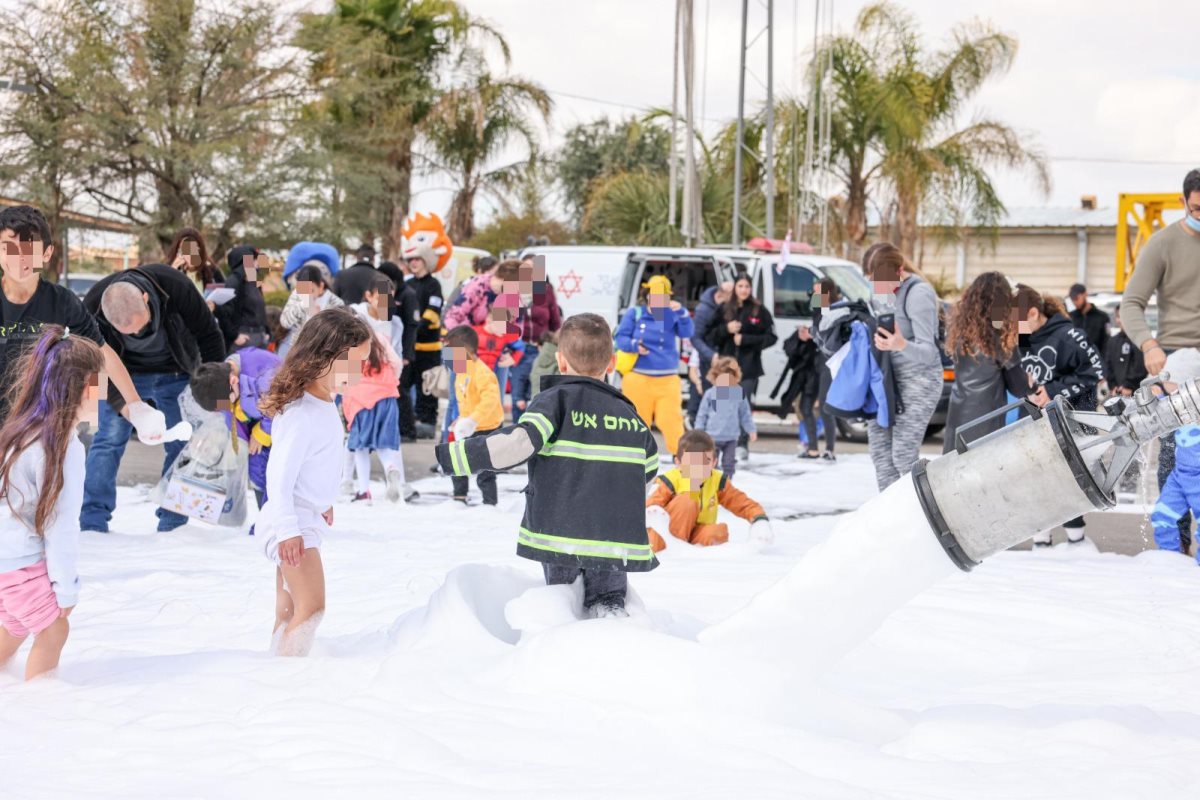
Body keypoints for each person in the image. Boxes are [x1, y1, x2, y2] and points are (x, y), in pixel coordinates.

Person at [435, 313, 659, 618]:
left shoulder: (553, 403)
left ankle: (557, 635)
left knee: (561, 601)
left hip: (560, 531)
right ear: (612, 363)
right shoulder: (629, 415)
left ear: (560, 361)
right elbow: (648, 468)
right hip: (613, 538)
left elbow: (516, 445)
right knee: (608, 603)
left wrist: (456, 456)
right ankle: (612, 627)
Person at [255, 308, 373, 657]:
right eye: (353, 362)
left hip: (301, 516)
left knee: (290, 609)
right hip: (290, 521)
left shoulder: (321, 402)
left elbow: (316, 463)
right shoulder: (302, 414)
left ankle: (276, 667)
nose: (360, 371)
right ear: (322, 357)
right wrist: (288, 529)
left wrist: (323, 501)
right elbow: (278, 478)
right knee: (312, 609)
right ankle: (291, 673)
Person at [81, 262, 226, 533]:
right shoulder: (92, 307)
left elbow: (209, 335)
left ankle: (173, 524)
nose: (137, 334)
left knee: (181, 443)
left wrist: (214, 389)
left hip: (175, 371)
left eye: (141, 326)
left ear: (146, 298)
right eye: (128, 333)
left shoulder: (174, 286)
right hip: (123, 375)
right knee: (107, 440)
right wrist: (127, 407)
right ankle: (92, 522)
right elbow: (94, 366)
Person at [0, 205, 164, 440]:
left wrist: (136, 406)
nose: (19, 258)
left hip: (41, 428)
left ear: (46, 254)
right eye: (9, 248)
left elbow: (102, 353)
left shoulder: (62, 302)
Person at [0, 327, 104, 680]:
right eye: (100, 383)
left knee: (15, 625)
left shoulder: (20, 431)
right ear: (84, 388)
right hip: (21, 561)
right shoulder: (62, 446)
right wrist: (66, 588)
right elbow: (61, 523)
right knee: (53, 629)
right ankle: (40, 704)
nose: (104, 394)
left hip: (4, 559)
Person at [1121, 168, 1200, 555]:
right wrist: (1149, 345)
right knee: (1177, 456)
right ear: (1184, 202)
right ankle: (1177, 548)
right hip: (1178, 363)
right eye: (1198, 209)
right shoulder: (1163, 243)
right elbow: (1130, 303)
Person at [1016, 284, 1103, 546]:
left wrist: (1053, 390)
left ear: (1033, 313)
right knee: (1035, 474)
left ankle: (1076, 538)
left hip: (1071, 420)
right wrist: (1029, 392)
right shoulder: (1024, 338)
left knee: (1067, 479)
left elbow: (1095, 371)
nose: (1012, 329)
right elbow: (1027, 373)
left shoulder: (1069, 336)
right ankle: (1041, 537)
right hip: (1037, 419)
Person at [861, 242, 943, 492]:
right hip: (887, 381)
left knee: (903, 456)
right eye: (872, 281)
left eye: (881, 282)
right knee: (880, 454)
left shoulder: (918, 294)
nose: (876, 288)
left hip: (920, 381)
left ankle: (925, 507)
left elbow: (929, 353)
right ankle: (892, 510)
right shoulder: (879, 292)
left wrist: (900, 344)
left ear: (898, 271)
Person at [942, 271, 1034, 453]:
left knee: (956, 465)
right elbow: (1019, 387)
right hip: (985, 421)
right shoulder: (998, 339)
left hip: (958, 415)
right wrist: (1031, 381)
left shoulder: (961, 335)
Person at [344, 276, 414, 504]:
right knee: (384, 444)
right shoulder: (371, 328)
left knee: (358, 444)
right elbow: (396, 360)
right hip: (386, 394)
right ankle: (390, 471)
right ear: (368, 296)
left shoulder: (391, 325)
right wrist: (392, 382)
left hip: (360, 397)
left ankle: (362, 489)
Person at [188, 346, 281, 517]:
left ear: (233, 381)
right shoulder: (221, 382)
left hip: (279, 425)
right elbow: (230, 414)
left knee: (271, 473)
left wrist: (262, 432)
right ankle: (267, 519)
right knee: (255, 470)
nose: (226, 407)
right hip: (258, 423)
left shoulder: (263, 374)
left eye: (227, 403)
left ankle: (276, 520)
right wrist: (239, 447)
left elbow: (281, 403)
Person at [644, 430, 771, 553]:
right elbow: (650, 506)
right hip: (666, 535)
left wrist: (759, 520)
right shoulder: (671, 480)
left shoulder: (717, 481)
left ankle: (695, 555)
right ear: (678, 462)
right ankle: (667, 550)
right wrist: (654, 511)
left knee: (717, 532)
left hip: (695, 537)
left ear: (714, 462)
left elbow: (742, 503)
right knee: (689, 499)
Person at [615, 274, 694, 454]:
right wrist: (634, 345)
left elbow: (687, 332)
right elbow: (621, 338)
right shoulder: (636, 313)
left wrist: (682, 313)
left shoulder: (670, 315)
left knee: (671, 420)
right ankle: (634, 458)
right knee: (637, 423)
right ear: (647, 294)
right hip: (638, 378)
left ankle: (680, 458)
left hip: (667, 379)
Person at [705, 272, 777, 462]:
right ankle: (719, 443)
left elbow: (771, 337)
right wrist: (725, 330)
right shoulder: (724, 308)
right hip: (725, 368)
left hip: (748, 367)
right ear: (735, 287)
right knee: (722, 406)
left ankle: (741, 444)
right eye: (740, 286)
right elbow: (709, 335)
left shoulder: (759, 310)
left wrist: (746, 339)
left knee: (742, 403)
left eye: (747, 286)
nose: (744, 290)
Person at [442, 326, 503, 506]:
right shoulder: (461, 372)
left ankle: (489, 504)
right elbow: (465, 399)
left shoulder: (483, 373)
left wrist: (472, 420)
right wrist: (462, 419)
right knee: (457, 461)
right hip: (468, 425)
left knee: (485, 470)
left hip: (487, 427)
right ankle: (459, 497)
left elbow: (490, 401)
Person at [1150, 350, 1200, 560]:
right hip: (1179, 476)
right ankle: (1169, 560)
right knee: (1162, 516)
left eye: (1171, 387)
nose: (1166, 393)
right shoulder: (1171, 403)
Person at [508, 256, 562, 424]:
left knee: (539, 394)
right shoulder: (512, 290)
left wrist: (551, 345)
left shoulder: (545, 291)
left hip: (541, 351)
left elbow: (555, 322)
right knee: (518, 396)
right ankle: (517, 432)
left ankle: (536, 431)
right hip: (519, 349)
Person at [377, 260, 420, 441]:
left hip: (402, 351)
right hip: (386, 349)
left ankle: (408, 430)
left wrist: (407, 354)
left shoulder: (408, 294)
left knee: (401, 391)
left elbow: (412, 325)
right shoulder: (383, 291)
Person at [694, 356, 756, 478]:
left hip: (731, 438)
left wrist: (751, 429)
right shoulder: (710, 393)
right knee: (710, 464)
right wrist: (698, 433)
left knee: (729, 464)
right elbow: (702, 415)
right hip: (712, 437)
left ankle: (726, 485)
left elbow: (745, 414)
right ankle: (711, 485)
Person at [407, 251, 445, 439]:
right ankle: (411, 420)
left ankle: (428, 422)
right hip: (410, 347)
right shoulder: (408, 284)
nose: (413, 263)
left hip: (429, 347)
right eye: (411, 260)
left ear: (426, 261)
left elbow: (433, 312)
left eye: (417, 259)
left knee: (428, 385)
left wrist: (414, 329)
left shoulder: (433, 284)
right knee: (407, 384)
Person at [688, 281, 733, 426]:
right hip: (709, 361)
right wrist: (711, 354)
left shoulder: (724, 306)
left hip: (722, 359)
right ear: (721, 295)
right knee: (709, 397)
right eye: (732, 294)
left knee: (721, 401)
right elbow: (695, 337)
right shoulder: (704, 310)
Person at [278, 264, 344, 358]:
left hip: (323, 353)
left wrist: (320, 318)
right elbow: (284, 322)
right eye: (303, 290)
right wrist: (302, 305)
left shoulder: (336, 303)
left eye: (311, 290)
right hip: (297, 349)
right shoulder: (297, 295)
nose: (307, 295)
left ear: (321, 286)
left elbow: (338, 333)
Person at [217, 245, 270, 351]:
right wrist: (234, 336)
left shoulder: (254, 282)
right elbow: (223, 313)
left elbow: (260, 309)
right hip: (244, 339)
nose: (257, 263)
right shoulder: (233, 282)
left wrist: (267, 331)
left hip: (260, 336)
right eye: (254, 259)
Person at [1103, 306, 1148, 397]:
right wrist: (1113, 386)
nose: (1120, 320)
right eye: (1118, 316)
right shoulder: (1112, 340)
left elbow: (1140, 367)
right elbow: (1108, 365)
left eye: (1123, 316)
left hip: (1136, 392)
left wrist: (1128, 386)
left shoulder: (1139, 340)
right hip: (1117, 392)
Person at [166, 227, 223, 294]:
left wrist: (214, 302)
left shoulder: (211, 270)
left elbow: (224, 294)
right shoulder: (170, 269)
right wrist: (172, 271)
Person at [1067, 283, 1110, 356]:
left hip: (1096, 359)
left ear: (1085, 295)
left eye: (1077, 298)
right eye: (1072, 300)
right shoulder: (1071, 317)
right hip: (1076, 359)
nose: (1075, 302)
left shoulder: (1102, 317)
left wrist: (1102, 359)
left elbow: (1107, 341)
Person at [529, 329, 559, 397]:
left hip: (536, 399)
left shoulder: (536, 361)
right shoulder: (561, 358)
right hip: (553, 400)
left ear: (539, 346)